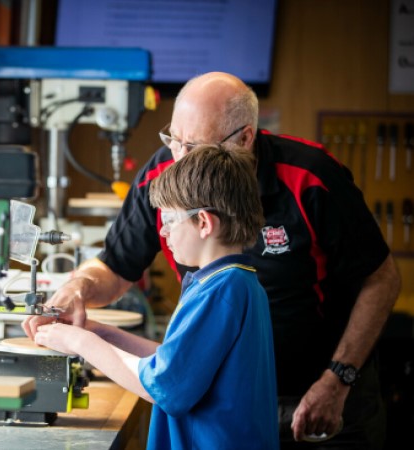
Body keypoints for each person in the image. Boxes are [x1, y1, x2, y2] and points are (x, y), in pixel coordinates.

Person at [24, 72, 401, 449]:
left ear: (244, 138)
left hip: (326, 391)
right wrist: (85, 309)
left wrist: (338, 378)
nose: (179, 159)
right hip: (243, 405)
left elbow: (167, 387)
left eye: (194, 146)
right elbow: (121, 274)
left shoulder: (229, 282)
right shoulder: (224, 276)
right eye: (174, 141)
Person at [34, 144, 278, 449]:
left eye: (172, 220)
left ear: (203, 222)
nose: (163, 232)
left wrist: (79, 343)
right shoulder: (235, 283)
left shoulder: (222, 291)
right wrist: (97, 331)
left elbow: (166, 386)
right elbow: (172, 363)